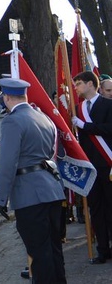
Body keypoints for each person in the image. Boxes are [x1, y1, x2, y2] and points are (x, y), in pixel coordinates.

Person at [0, 77, 66, 283]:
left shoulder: (12, 121)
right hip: (51, 189)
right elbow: (51, 153)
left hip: (29, 195)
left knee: (39, 254)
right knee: (54, 249)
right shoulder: (45, 118)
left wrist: (1, 198)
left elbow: (7, 163)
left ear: (6, 97)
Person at [71, 71, 112, 264]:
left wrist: (84, 126)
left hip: (108, 164)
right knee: (96, 209)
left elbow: (108, 129)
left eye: (78, 83)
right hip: (90, 167)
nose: (76, 87)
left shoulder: (108, 104)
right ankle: (102, 250)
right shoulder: (77, 109)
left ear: (89, 84)